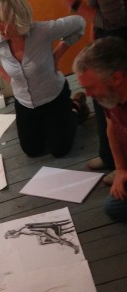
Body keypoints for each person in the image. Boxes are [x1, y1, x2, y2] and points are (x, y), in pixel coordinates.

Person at [0, 0, 89, 158]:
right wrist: (6, 76)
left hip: (54, 98)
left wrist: (57, 55)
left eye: (4, 20)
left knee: (59, 150)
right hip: (25, 103)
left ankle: (75, 107)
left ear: (17, 16)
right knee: (32, 150)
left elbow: (79, 23)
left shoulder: (42, 31)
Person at [65, 0, 127, 185]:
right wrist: (94, 34)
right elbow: (97, 11)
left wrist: (75, 4)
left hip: (118, 37)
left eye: (89, 88)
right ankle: (110, 158)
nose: (88, 93)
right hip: (106, 35)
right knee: (108, 114)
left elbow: (115, 21)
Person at [73, 36, 127, 220]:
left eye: (91, 87)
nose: (88, 94)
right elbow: (111, 128)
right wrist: (121, 169)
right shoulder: (110, 96)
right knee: (112, 207)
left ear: (117, 78)